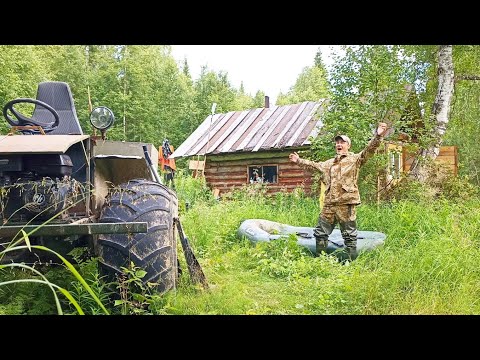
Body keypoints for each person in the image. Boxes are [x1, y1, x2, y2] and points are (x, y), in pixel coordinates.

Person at [289, 122, 388, 260]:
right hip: (329, 204)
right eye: (337, 143)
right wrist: (299, 160)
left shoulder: (355, 159)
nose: (339, 145)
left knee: (349, 236)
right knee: (320, 233)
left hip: (346, 203)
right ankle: (321, 261)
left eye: (342, 142)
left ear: (348, 145)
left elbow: (369, 150)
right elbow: (314, 166)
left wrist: (378, 136)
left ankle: (350, 263)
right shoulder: (329, 163)